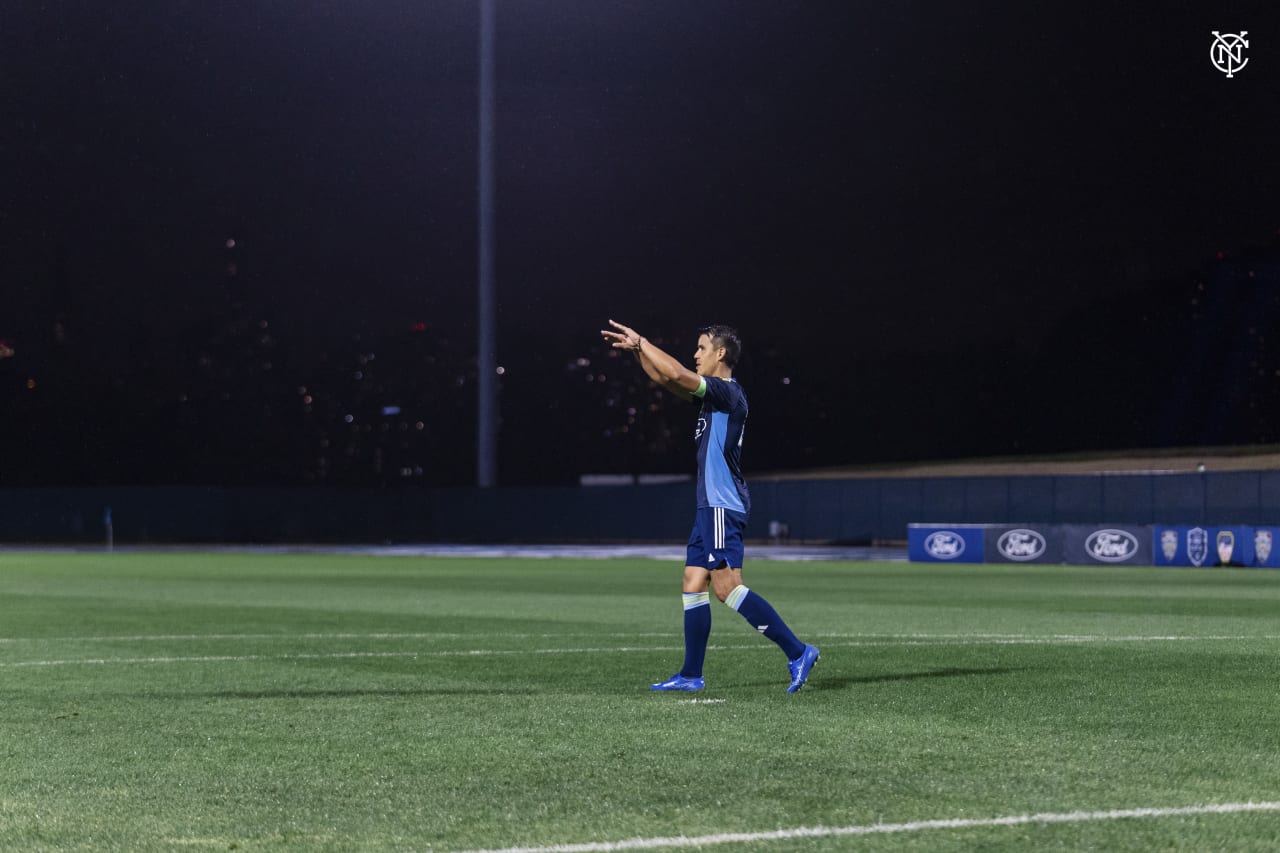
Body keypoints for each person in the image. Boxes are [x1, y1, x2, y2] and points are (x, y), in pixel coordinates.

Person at [600, 319, 820, 693]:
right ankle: (690, 674)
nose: (695, 354)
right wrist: (639, 352)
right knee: (692, 582)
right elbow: (664, 379)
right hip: (708, 506)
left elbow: (676, 372)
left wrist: (644, 340)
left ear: (721, 353)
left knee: (727, 588)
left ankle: (798, 652)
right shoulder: (712, 398)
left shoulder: (727, 393)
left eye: (701, 347)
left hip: (722, 503)